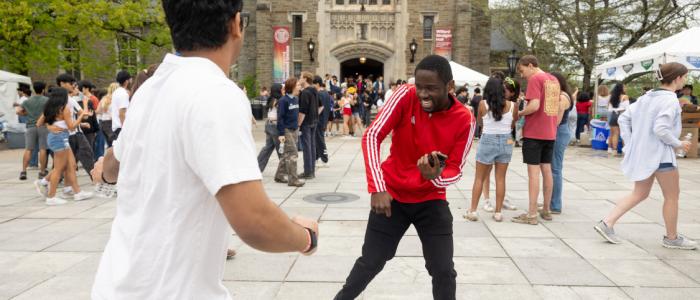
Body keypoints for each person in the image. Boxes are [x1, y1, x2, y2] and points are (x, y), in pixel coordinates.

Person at [91, 1, 318, 298]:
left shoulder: (150, 88)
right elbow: (254, 220)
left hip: (116, 285)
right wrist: (305, 237)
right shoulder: (215, 93)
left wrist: (104, 174)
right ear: (236, 24)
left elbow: (111, 165)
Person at [335, 55, 475, 300]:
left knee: (443, 270)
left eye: (431, 88)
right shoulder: (405, 95)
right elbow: (372, 136)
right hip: (392, 196)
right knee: (371, 262)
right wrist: (377, 187)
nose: (422, 94)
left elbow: (456, 168)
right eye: (419, 86)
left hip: (431, 199)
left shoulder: (465, 119)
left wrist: (435, 176)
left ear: (450, 87)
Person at [594, 62, 697, 250]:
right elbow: (661, 128)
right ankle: (671, 238)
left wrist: (632, 142)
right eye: (684, 77)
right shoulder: (670, 100)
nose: (685, 80)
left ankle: (607, 223)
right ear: (677, 78)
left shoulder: (646, 97)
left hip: (646, 154)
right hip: (662, 156)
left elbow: (624, 118)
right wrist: (678, 143)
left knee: (640, 193)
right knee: (672, 196)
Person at [512, 55, 560, 225]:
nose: (523, 75)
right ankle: (546, 209)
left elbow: (534, 105)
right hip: (550, 132)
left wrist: (519, 113)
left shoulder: (535, 79)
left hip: (535, 132)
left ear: (530, 66)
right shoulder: (553, 79)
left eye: (523, 71)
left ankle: (532, 214)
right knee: (547, 170)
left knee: (533, 174)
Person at [464, 77, 518, 222]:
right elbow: (513, 125)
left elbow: (480, 122)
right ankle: (498, 212)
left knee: (479, 178)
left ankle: (473, 211)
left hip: (488, 139)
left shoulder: (482, 104)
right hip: (506, 141)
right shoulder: (513, 105)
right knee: (501, 178)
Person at [37, 88, 93, 205]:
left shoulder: (49, 108)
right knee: (59, 168)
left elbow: (38, 123)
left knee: (71, 165)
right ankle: (51, 197)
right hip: (60, 138)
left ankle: (77, 192)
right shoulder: (65, 109)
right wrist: (81, 115)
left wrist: (50, 126)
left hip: (58, 138)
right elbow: (71, 127)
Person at [550, 72, 574, 215]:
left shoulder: (562, 97)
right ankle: (552, 200)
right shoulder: (563, 95)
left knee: (556, 169)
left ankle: (555, 204)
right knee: (554, 168)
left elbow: (557, 121)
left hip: (559, 131)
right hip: (560, 131)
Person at [276, 77, 305, 187]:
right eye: (298, 85)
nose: (300, 87)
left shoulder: (296, 99)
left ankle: (279, 175)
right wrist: (281, 134)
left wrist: (297, 127)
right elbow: (280, 118)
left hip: (295, 129)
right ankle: (293, 179)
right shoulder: (283, 101)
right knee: (293, 154)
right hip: (286, 130)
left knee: (286, 154)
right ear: (292, 86)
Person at [18, 81, 50, 180]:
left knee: (28, 149)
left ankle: (23, 171)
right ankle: (42, 172)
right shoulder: (47, 100)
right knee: (43, 149)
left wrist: (26, 114)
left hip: (30, 126)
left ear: (33, 90)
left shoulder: (27, 101)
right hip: (43, 126)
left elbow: (18, 111)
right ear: (43, 89)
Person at [298, 71, 321, 179]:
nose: (299, 79)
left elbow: (302, 111)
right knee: (312, 146)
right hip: (314, 121)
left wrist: (298, 124)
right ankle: (311, 171)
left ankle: (308, 172)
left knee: (307, 147)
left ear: (305, 79)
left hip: (306, 122)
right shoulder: (315, 91)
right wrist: (315, 114)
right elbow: (321, 106)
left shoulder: (305, 93)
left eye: (301, 77)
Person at [257, 83, 283, 172]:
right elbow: (280, 116)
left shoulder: (270, 99)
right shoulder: (278, 101)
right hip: (275, 126)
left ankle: (257, 167)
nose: (283, 90)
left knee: (268, 148)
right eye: (282, 89)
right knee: (281, 148)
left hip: (268, 125)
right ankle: (284, 169)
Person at [314, 76, 332, 167]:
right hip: (324, 119)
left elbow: (319, 108)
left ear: (317, 84)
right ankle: (316, 158)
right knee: (318, 139)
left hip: (319, 119)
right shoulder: (326, 93)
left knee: (320, 140)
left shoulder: (319, 94)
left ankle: (324, 159)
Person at [607, 83, 630, 155]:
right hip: (622, 116)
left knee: (614, 134)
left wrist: (615, 109)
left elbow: (609, 109)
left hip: (613, 115)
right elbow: (627, 108)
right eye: (624, 87)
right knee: (624, 133)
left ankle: (613, 150)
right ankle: (625, 151)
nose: (626, 88)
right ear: (621, 89)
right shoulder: (625, 97)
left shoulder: (611, 97)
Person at [111, 70, 132, 139]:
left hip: (116, 127)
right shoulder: (123, 94)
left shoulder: (116, 92)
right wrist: (125, 129)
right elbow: (122, 113)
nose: (131, 81)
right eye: (130, 79)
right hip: (121, 128)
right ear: (126, 81)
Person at [98, 83, 118, 148]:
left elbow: (98, 111)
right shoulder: (115, 99)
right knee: (115, 144)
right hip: (111, 122)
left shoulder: (104, 98)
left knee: (110, 145)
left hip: (103, 122)